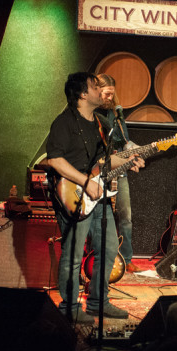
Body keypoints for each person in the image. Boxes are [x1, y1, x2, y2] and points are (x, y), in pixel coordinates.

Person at [46, 72, 145, 323]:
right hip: (74, 195)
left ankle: (98, 302)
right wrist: (85, 182)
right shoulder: (63, 122)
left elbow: (106, 161)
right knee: (74, 253)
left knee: (109, 248)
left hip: (98, 194)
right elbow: (55, 159)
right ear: (82, 94)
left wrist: (129, 161)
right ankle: (68, 306)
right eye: (94, 86)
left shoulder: (102, 122)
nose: (100, 90)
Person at [96, 73, 141, 273]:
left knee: (126, 215)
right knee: (97, 216)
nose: (110, 98)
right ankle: (94, 258)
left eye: (112, 95)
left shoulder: (116, 113)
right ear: (97, 91)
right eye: (106, 94)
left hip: (119, 169)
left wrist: (138, 152)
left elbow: (125, 141)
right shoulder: (91, 113)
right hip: (97, 170)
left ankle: (126, 259)